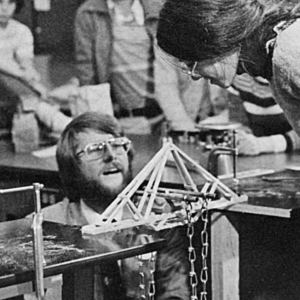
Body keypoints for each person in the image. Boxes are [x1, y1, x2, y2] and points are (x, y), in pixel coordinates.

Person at [41, 111, 192, 300]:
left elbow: (176, 291)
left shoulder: (157, 220)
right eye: (95, 149)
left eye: (118, 145)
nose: (111, 156)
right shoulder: (46, 227)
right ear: (72, 167)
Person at [156, 0, 300, 138]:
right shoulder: (271, 59)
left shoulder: (288, 50)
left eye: (191, 64)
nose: (194, 76)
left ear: (216, 41)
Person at [74, 0, 222, 133]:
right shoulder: (89, 13)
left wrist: (178, 121)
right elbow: (87, 78)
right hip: (123, 120)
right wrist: (103, 130)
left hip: (163, 118)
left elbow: (177, 70)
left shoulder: (157, 8)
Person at [231, 73, 300, 155]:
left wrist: (263, 144)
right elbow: (238, 122)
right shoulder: (238, 78)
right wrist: (241, 139)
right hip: (257, 158)